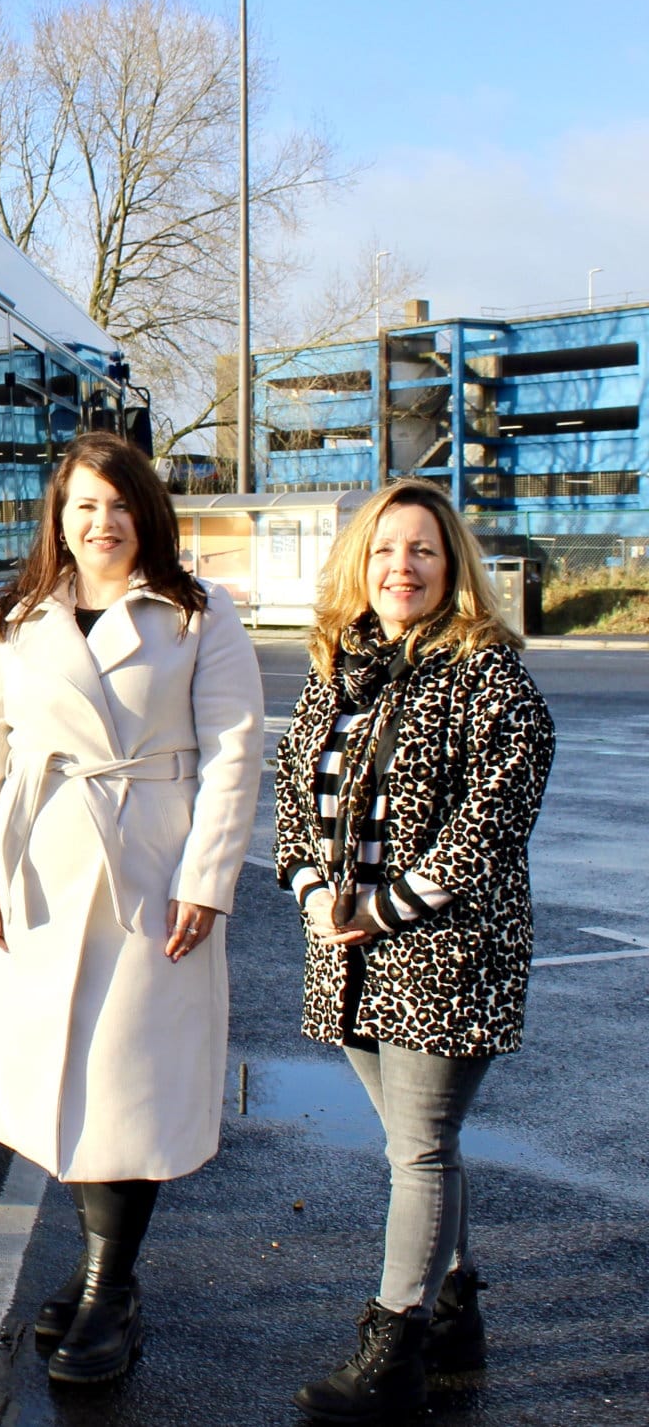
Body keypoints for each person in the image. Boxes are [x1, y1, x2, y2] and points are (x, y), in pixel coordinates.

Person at [0, 431, 264, 1383]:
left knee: (127, 1079)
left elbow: (237, 752)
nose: (102, 522)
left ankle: (109, 1290)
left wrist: (207, 877)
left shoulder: (198, 615)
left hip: (149, 870)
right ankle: (98, 1275)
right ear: (60, 516)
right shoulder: (18, 617)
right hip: (39, 868)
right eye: (83, 505)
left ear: (147, 513)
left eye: (119, 504)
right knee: (59, 1075)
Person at [275, 480, 553, 1423]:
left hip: (448, 951)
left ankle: (392, 1349)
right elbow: (290, 801)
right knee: (416, 1143)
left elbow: (488, 828)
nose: (403, 567)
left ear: (453, 566)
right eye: (387, 549)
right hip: (349, 956)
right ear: (362, 561)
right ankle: (454, 1308)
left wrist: (381, 908)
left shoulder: (492, 678)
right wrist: (317, 897)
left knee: (420, 1149)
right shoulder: (337, 667)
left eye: (424, 550)